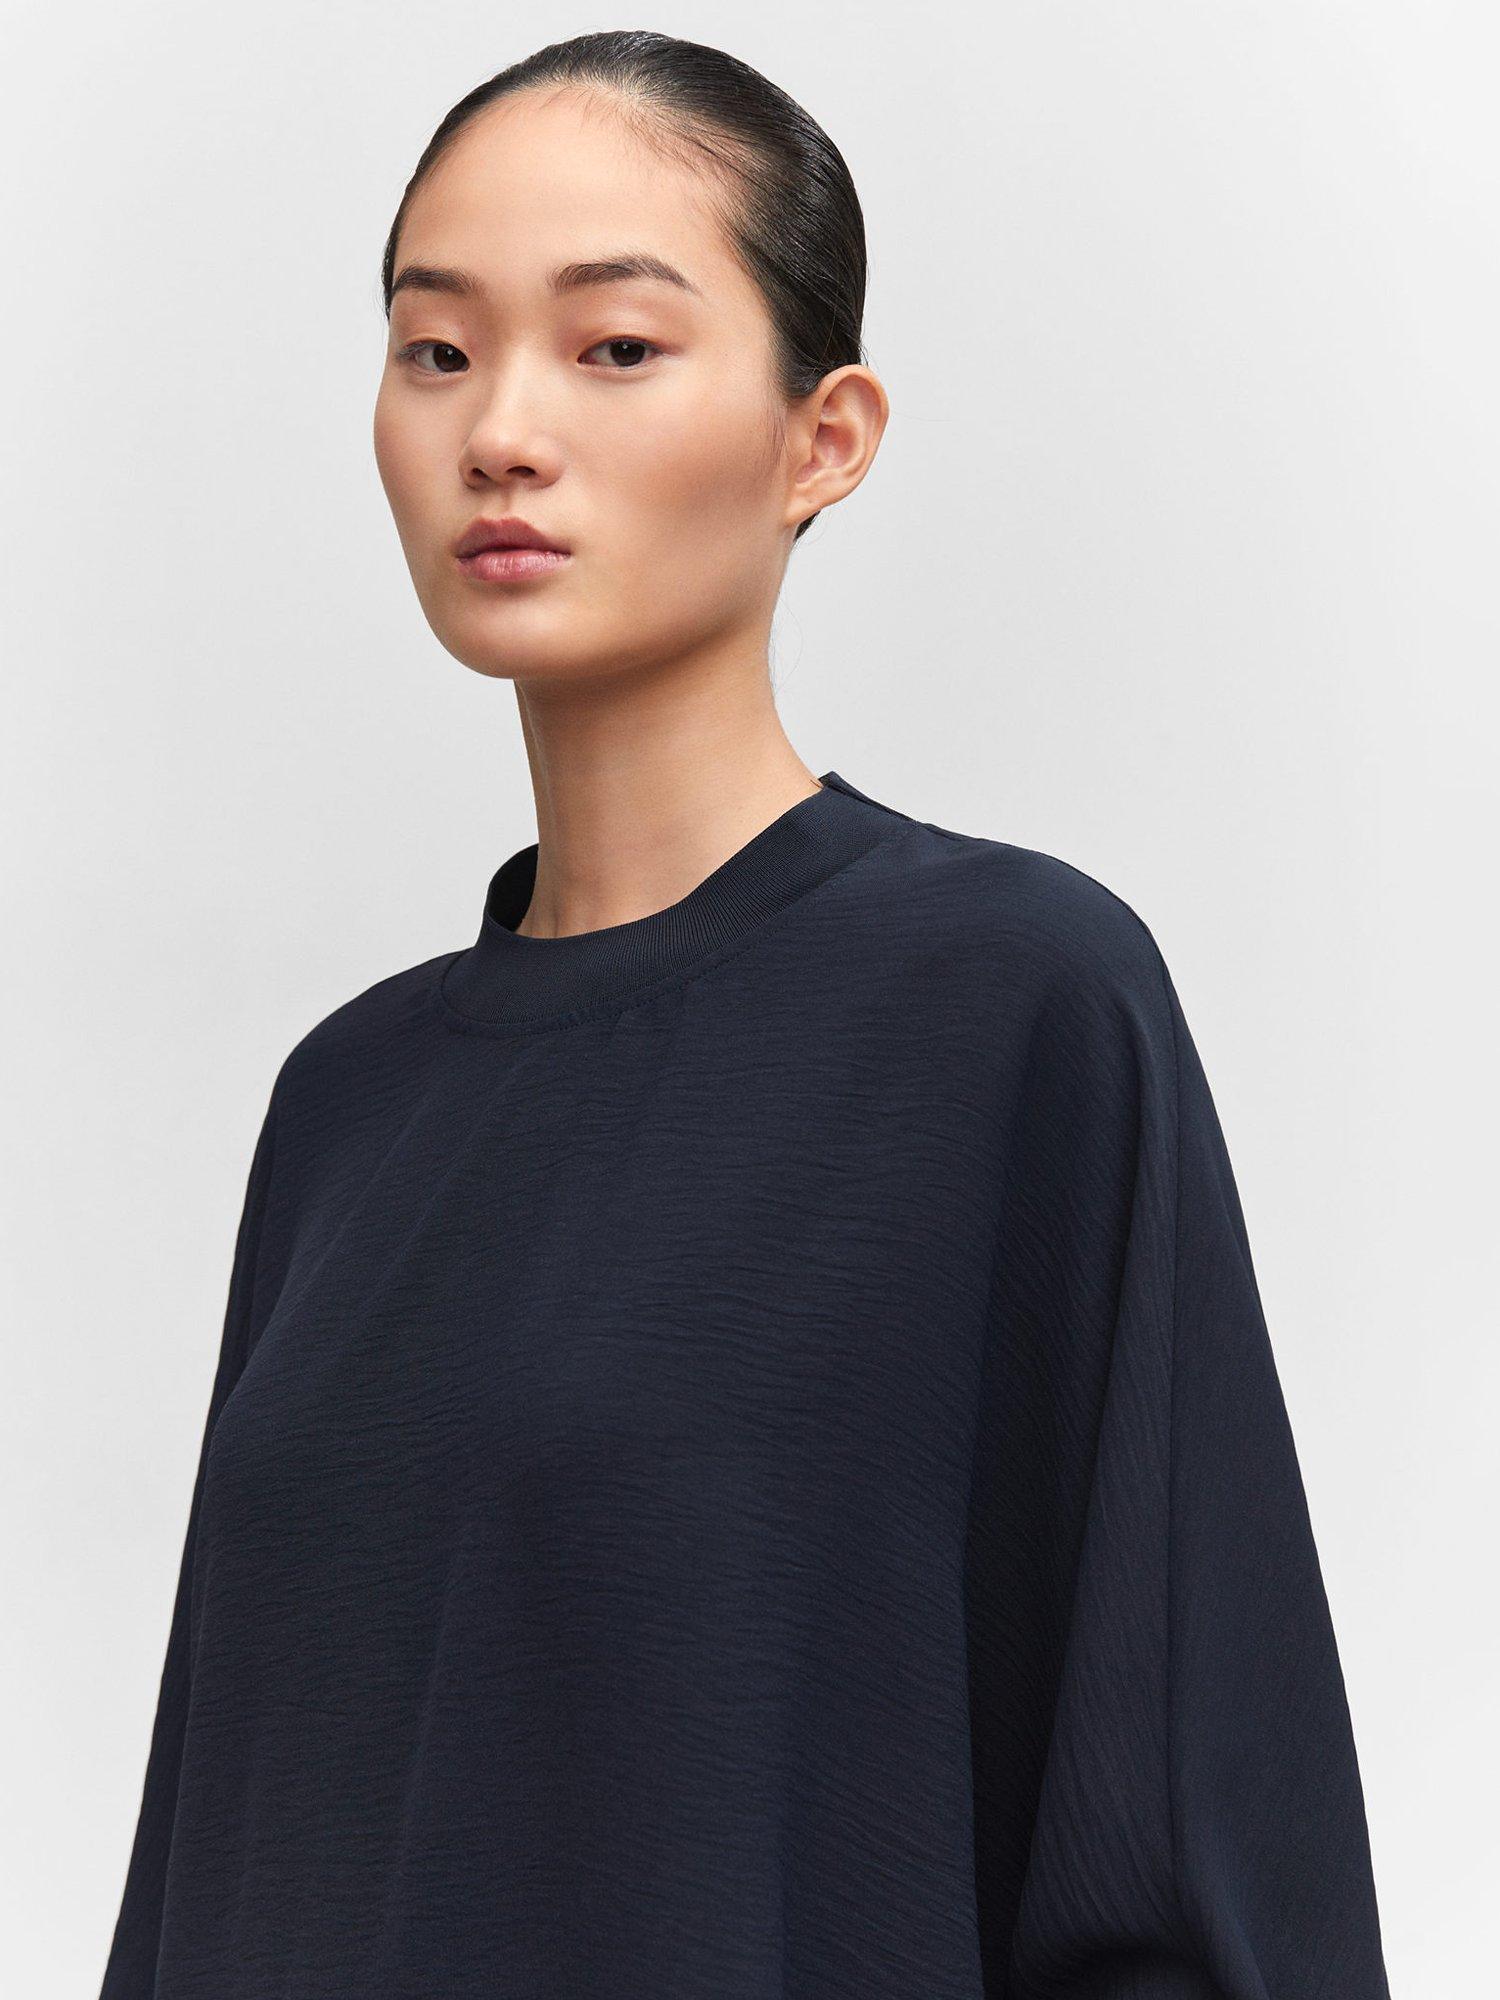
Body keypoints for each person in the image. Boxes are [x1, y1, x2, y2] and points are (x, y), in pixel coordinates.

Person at [98, 30, 1390, 2000]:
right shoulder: (346, 1104)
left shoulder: (1011, 1005)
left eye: (615, 346)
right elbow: (211, 1847)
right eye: (436, 350)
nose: (500, 431)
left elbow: (1192, 1853)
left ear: (825, 438)